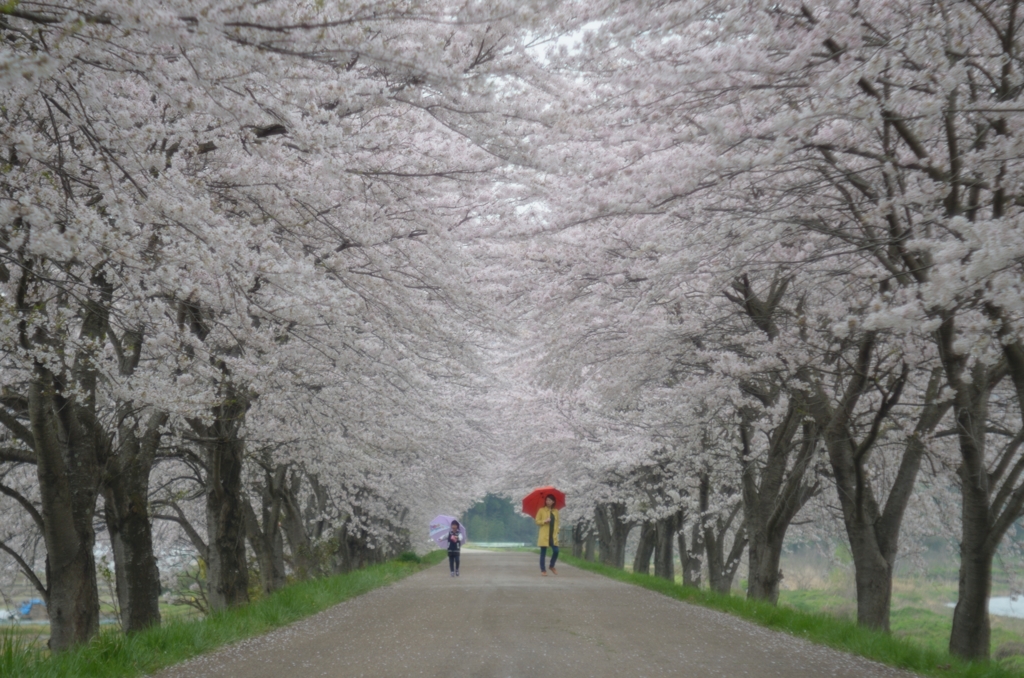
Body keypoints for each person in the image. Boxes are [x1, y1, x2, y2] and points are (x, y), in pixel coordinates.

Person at [535, 494, 560, 575]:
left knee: (556, 551)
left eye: (549, 500)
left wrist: (557, 531)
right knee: (543, 553)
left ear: (553, 502)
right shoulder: (541, 510)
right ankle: (543, 570)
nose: (547, 502)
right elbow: (537, 521)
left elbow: (557, 522)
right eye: (547, 500)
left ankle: (551, 565)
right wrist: (544, 521)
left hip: (553, 535)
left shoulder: (555, 511)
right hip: (544, 534)